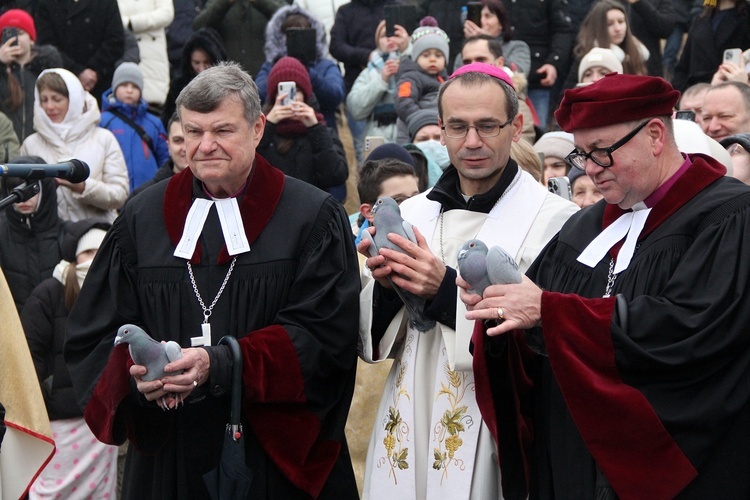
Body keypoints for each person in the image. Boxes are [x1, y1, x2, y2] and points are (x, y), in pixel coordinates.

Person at [64, 62, 360, 499]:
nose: (205, 146)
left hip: (274, 461)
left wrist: (220, 364)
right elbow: (96, 337)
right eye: (192, 133)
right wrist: (137, 378)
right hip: (171, 459)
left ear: (258, 128)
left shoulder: (312, 216)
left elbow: (323, 338)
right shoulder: (140, 220)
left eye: (222, 131)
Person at [464, 73, 750, 498]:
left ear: (655, 134)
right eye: (582, 154)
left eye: (602, 152)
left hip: (682, 469)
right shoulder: (581, 229)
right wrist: (503, 315)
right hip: (573, 459)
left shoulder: (728, 217)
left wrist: (551, 312)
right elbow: (537, 342)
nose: (591, 169)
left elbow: (693, 327)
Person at [357, 62, 577, 499]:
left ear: (517, 126)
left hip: (497, 416)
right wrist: (386, 286)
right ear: (440, 129)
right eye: (457, 127)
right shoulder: (414, 212)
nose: (471, 142)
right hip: (409, 405)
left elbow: (546, 338)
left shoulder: (557, 221)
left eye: (487, 126)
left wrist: (442, 288)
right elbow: (373, 341)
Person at [22, 219, 118, 499]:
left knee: (100, 491)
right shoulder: (48, 294)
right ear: (75, 257)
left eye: (100, 253)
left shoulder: (117, 291)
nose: (93, 261)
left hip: (100, 420)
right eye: (87, 253)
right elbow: (32, 354)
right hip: (58, 422)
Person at [20, 68, 129, 222]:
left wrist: (83, 187)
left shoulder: (103, 138)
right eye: (44, 100)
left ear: (74, 100)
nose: (49, 107)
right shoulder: (30, 144)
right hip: (48, 239)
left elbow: (119, 195)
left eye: (56, 99)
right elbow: (22, 193)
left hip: (97, 236)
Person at [257, 56, 349, 193]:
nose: (292, 97)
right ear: (273, 96)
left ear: (306, 94)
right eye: (283, 91)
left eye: (296, 90)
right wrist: (268, 126)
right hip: (272, 208)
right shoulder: (261, 131)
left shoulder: (322, 130)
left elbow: (336, 175)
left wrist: (315, 127)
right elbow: (249, 172)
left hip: (313, 210)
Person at [255, 4, 346, 132]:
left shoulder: (325, 65)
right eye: (292, 34)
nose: (298, 40)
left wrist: (306, 71)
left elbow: (335, 96)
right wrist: (284, 69)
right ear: (281, 37)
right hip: (279, 137)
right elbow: (257, 96)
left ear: (314, 36)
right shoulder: (271, 66)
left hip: (321, 132)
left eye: (304, 34)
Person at [0, 157, 60, 312]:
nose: (23, 199)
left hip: (56, 327)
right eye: (15, 192)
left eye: (31, 190)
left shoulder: (67, 234)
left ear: (45, 190)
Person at [100, 62, 170, 192]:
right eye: (124, 85)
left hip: (149, 192)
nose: (129, 90)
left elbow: (164, 158)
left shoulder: (154, 122)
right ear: (114, 88)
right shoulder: (104, 120)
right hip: (115, 192)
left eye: (134, 86)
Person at [35, 0, 125, 99]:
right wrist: (77, 72)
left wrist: (94, 70)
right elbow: (46, 45)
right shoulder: (47, 3)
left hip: (100, 83)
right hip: (62, 85)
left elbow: (115, 41)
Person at [505, 0, 574, 129]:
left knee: (536, 130)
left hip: (537, 76)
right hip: (503, 75)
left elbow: (562, 30)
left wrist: (554, 63)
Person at [460, 35, 536, 143]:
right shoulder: (453, 100)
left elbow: (521, 151)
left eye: (480, 59)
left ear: (499, 63)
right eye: (467, 62)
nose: (473, 66)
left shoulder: (516, 104)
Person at [0, 9, 62, 142]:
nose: (14, 39)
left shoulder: (47, 69)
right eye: (8, 34)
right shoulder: (2, 74)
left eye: (20, 33)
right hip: (6, 147)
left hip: (41, 144)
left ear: (32, 39)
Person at [346, 19, 410, 146]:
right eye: (384, 35)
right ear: (378, 43)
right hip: (378, 139)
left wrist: (406, 63)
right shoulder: (369, 73)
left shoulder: (417, 63)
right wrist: (381, 80)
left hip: (409, 135)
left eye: (395, 34)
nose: (390, 38)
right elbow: (355, 109)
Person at [564, 0, 649, 91]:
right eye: (609, 24)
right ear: (598, 28)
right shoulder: (587, 57)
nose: (618, 28)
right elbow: (567, 94)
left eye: (621, 22)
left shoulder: (635, 54)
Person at [192, 0, 286, 78]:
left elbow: (289, 18)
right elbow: (199, 26)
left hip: (265, 76)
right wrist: (224, 2)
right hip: (228, 78)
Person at [672, 0, 750, 91]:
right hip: (694, 94)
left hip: (727, 93)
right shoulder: (701, 19)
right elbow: (683, 67)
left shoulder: (746, 19)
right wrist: (681, 93)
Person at [394, 21, 450, 144]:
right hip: (415, 131)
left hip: (441, 132)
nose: (433, 59)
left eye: (439, 55)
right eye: (426, 55)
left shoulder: (448, 80)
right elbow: (403, 101)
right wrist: (419, 119)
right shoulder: (410, 77)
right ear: (416, 57)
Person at [161, 26, 226, 128]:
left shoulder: (227, 86)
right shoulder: (179, 85)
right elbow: (168, 120)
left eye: (206, 63)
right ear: (189, 61)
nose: (201, 68)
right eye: (196, 63)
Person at [116, 0, 174, 107]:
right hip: (122, 49)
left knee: (152, 103)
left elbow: (166, 13)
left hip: (152, 54)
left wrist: (131, 23)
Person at [459, 0, 531, 76]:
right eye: (479, 16)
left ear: (501, 23)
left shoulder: (518, 47)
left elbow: (518, 73)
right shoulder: (465, 53)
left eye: (488, 16)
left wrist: (487, 41)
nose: (482, 21)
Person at [129, 111, 188, 200]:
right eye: (178, 140)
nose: (185, 148)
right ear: (168, 145)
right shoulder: (141, 197)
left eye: (190, 140)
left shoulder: (215, 192)